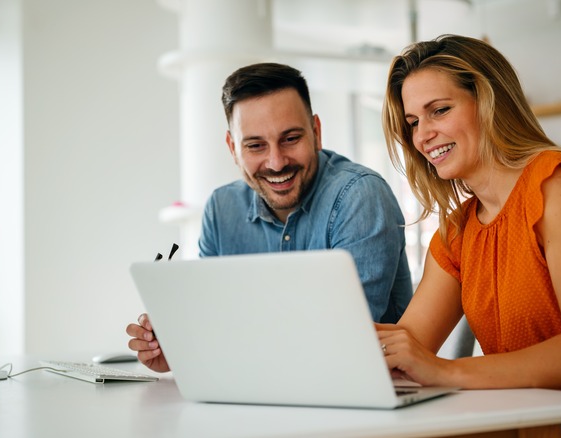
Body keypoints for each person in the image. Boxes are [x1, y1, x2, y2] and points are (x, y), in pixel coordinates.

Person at [377, 34, 561, 437]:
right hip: (532, 419)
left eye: (440, 111)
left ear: (490, 103)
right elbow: (408, 343)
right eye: (413, 122)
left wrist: (447, 371)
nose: (422, 135)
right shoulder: (458, 231)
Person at [127, 62, 413, 372]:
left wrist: (216, 342)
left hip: (361, 397)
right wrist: (180, 349)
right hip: (259, 395)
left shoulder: (360, 196)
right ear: (233, 148)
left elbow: (345, 342)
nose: (276, 163)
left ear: (316, 133)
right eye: (255, 145)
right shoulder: (221, 209)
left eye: (290, 139)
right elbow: (213, 322)